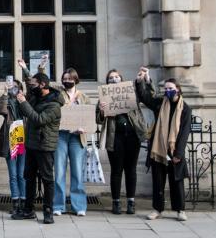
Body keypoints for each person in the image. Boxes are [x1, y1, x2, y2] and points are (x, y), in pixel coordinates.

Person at [135, 66, 192, 222]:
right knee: (158, 182)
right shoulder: (161, 103)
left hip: (174, 151)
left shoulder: (185, 109)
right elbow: (146, 98)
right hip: (158, 150)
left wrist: (178, 154)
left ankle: (180, 210)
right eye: (166, 88)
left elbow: (184, 132)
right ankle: (157, 209)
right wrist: (143, 81)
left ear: (178, 90)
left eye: (171, 88)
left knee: (177, 182)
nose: (168, 91)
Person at [11, 72, 62, 225]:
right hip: (31, 145)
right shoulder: (36, 96)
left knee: (47, 179)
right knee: (29, 178)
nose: (31, 86)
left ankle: (48, 211)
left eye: (34, 84)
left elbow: (39, 119)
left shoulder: (54, 105)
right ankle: (28, 210)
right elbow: (28, 84)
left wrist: (23, 102)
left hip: (45, 146)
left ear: (42, 85)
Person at [97, 69, 149, 215]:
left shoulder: (131, 91)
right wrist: (101, 110)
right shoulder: (104, 96)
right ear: (107, 82)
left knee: (131, 170)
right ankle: (116, 202)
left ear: (121, 78)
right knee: (116, 170)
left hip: (132, 136)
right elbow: (98, 119)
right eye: (111, 78)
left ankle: (131, 202)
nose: (114, 79)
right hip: (115, 137)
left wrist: (140, 81)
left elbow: (143, 95)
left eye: (116, 77)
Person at [52, 67, 90, 216]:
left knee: (77, 172)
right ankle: (58, 206)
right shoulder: (57, 94)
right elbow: (44, 82)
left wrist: (84, 127)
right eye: (65, 78)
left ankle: (79, 206)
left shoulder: (84, 97)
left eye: (70, 78)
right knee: (59, 172)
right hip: (61, 136)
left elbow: (89, 116)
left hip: (77, 137)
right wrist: (42, 66)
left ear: (75, 79)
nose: (67, 81)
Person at [0, 78, 26, 216]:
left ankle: (24, 201)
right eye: (11, 87)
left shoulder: (24, 100)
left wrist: (22, 99)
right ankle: (15, 202)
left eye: (16, 87)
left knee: (22, 174)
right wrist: (4, 93)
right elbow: (1, 111)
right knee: (13, 175)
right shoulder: (7, 100)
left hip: (23, 140)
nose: (13, 89)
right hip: (10, 139)